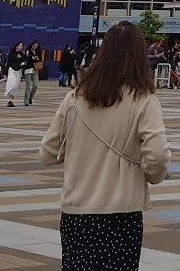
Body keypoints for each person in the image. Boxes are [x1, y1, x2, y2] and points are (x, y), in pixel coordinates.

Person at [41, 21, 170, 271]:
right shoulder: (143, 99)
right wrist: (153, 176)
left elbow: (47, 151)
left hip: (77, 212)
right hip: (122, 213)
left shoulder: (75, 98)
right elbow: (157, 156)